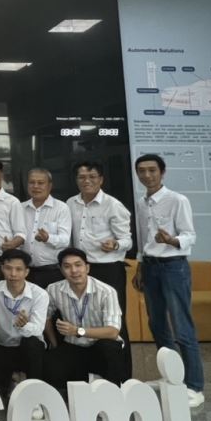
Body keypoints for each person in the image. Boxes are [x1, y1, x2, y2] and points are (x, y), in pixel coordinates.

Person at [133, 153, 205, 408]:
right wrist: (140, 266)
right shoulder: (141, 203)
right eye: (142, 171)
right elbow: (143, 238)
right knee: (158, 325)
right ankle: (172, 377)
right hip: (150, 267)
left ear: (162, 172)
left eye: (152, 170)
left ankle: (195, 386)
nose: (147, 175)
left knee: (182, 327)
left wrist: (172, 240)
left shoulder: (177, 200)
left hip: (173, 267)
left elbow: (190, 235)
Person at [68, 161, 134, 378]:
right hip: (80, 270)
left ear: (101, 179)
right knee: (84, 319)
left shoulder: (113, 205)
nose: (86, 181)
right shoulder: (70, 203)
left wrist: (115, 244)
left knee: (114, 321)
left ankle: (122, 377)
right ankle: (91, 373)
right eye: (82, 177)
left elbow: (127, 240)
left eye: (92, 177)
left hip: (108, 269)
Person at [44, 248, 125, 391]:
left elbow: (113, 331)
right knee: (52, 362)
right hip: (73, 345)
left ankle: (113, 394)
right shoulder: (53, 289)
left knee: (109, 348)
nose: (74, 271)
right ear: (61, 270)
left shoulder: (106, 291)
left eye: (78, 265)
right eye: (67, 266)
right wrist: (54, 344)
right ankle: (67, 399)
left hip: (100, 345)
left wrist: (78, 331)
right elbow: (46, 316)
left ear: (87, 268)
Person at [0, 249, 48, 401]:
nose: (13, 274)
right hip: (4, 344)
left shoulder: (39, 294)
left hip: (29, 346)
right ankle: (12, 381)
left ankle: (35, 395)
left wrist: (24, 325)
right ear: (2, 269)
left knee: (32, 343)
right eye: (8, 268)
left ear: (26, 272)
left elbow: (38, 329)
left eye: (18, 269)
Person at [21, 168, 71, 289]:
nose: (35, 186)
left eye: (40, 183)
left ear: (49, 186)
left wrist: (48, 238)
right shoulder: (20, 208)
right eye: (32, 182)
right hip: (25, 273)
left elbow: (65, 240)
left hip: (52, 272)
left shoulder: (61, 208)